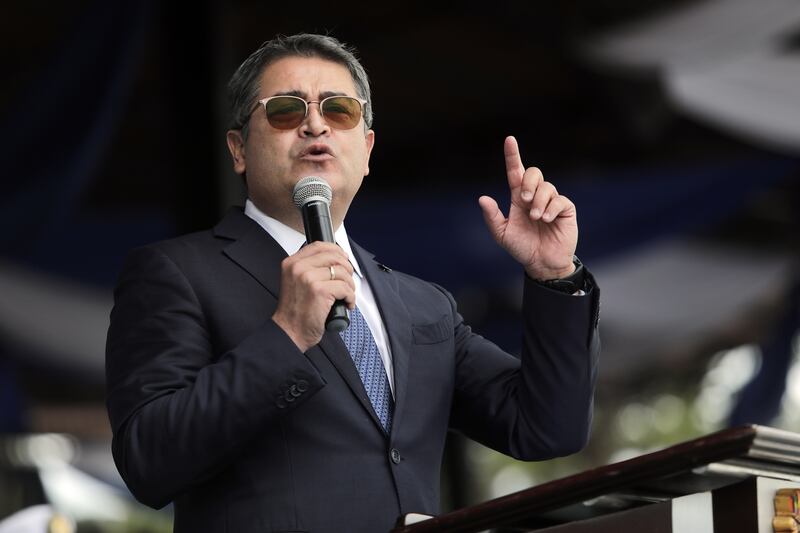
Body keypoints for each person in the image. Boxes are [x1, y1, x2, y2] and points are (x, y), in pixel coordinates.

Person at [105, 33, 600, 533]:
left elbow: (545, 430)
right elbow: (148, 461)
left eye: (339, 110)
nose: (315, 123)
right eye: (284, 110)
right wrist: (287, 335)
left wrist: (554, 274)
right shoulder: (176, 272)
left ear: (365, 150)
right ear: (239, 149)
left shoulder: (423, 304)